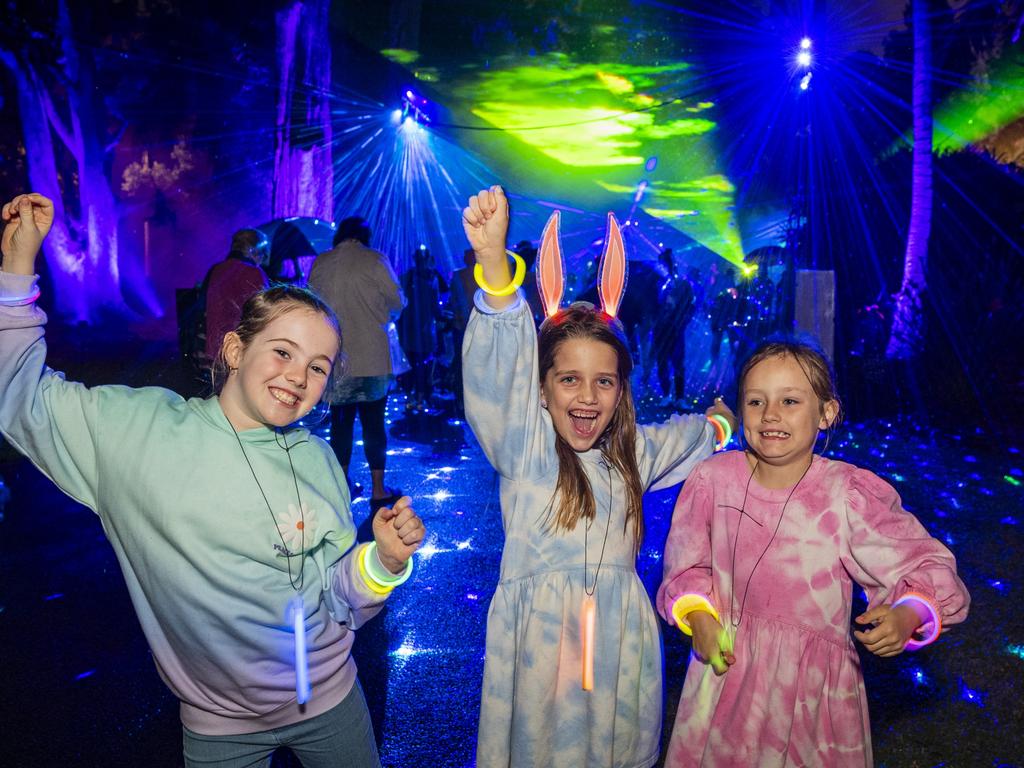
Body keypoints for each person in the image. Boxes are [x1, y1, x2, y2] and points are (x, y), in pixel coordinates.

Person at [0, 193, 426, 768]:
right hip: (218, 727)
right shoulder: (139, 433)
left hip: (331, 702)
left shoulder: (321, 462)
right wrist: (16, 274)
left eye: (319, 366)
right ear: (233, 348)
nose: (298, 376)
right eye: (282, 351)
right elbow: (20, 398)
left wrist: (383, 563)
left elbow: (337, 596)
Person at [461, 186, 737, 768]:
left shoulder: (631, 450)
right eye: (568, 380)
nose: (587, 397)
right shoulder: (525, 446)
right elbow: (496, 377)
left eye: (604, 381)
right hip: (541, 648)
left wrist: (719, 424)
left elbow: (683, 439)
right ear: (541, 387)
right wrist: (492, 266)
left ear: (622, 390)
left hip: (618, 643)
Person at [656, 338, 970, 767]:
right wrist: (698, 616)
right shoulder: (713, 482)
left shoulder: (846, 495)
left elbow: (926, 564)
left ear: (826, 413)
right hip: (725, 679)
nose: (770, 415)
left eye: (789, 401)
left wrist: (909, 613)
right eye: (755, 401)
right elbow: (686, 567)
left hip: (809, 695)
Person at [308, 217, 405, 511]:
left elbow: (311, 302)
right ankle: (378, 489)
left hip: (336, 357)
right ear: (364, 236)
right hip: (372, 356)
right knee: (374, 423)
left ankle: (342, 487)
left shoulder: (321, 262)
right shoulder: (375, 259)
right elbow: (398, 301)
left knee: (340, 425)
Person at [203, 228, 270, 364]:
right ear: (254, 250)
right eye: (263, 253)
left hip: (214, 349)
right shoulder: (254, 273)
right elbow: (265, 312)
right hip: (241, 349)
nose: (263, 258)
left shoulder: (216, 269)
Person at [398, 245, 446, 412]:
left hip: (408, 330)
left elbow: (398, 303)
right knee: (423, 365)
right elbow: (435, 306)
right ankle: (420, 397)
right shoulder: (432, 278)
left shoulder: (406, 278)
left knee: (409, 365)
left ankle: (411, 397)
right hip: (425, 331)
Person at [651, 248, 697, 405]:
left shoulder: (683, 285)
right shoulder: (657, 284)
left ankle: (680, 397)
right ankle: (666, 396)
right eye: (662, 264)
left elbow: (691, 306)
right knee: (662, 362)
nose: (664, 267)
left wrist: (683, 322)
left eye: (667, 263)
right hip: (660, 330)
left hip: (676, 330)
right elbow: (648, 307)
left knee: (678, 362)